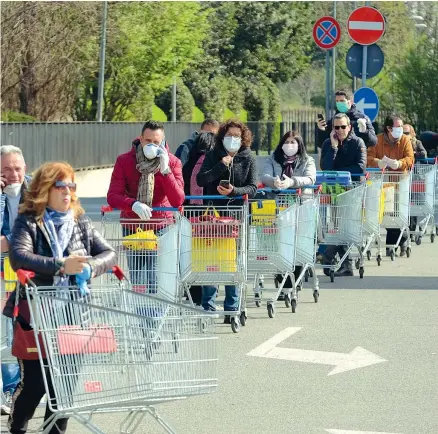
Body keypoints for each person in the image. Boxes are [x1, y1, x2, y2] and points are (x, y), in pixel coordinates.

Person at [3, 161, 117, 434]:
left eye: (71, 186)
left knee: (63, 387)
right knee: (34, 385)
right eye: (61, 185)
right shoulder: (28, 221)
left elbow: (109, 254)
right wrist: (60, 265)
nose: (68, 191)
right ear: (45, 188)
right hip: (37, 314)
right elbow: (19, 257)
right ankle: (17, 426)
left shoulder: (80, 221)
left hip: (74, 315)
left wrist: (89, 267)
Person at [107, 120, 185, 290]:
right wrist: (133, 204)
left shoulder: (172, 162)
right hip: (133, 226)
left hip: (160, 226)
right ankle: (141, 313)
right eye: (148, 141)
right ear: (141, 139)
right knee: (138, 279)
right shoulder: (124, 161)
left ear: (163, 142)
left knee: (156, 276)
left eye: (156, 142)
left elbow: (178, 200)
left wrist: (166, 172)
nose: (151, 145)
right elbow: (113, 196)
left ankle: (155, 315)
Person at [197, 120, 257, 320]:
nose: (233, 139)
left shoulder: (247, 157)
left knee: (232, 262)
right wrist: (220, 165)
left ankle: (231, 306)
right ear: (222, 137)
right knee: (211, 261)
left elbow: (252, 187)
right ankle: (209, 305)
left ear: (243, 139)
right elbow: (201, 179)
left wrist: (235, 191)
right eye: (229, 135)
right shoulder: (213, 154)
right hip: (214, 215)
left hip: (236, 215)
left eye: (237, 136)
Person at [260, 131, 316, 291]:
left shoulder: (307, 160)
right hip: (278, 206)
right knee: (281, 242)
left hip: (300, 205)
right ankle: (281, 274)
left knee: (297, 243)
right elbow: (264, 175)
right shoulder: (273, 159)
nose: (290, 145)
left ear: (299, 145)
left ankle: (294, 281)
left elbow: (311, 179)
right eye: (287, 142)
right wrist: (274, 181)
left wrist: (292, 182)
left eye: (293, 142)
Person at [0, 145, 31, 416]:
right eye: (7, 169)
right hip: (2, 272)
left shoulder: (36, 192)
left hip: (27, 272)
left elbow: (37, 229)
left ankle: (26, 387)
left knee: (26, 329)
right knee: (4, 333)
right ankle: (9, 391)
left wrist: (8, 241)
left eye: (17, 168)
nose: (14, 174)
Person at [320, 113, 367, 277]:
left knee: (343, 226)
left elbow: (360, 168)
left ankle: (329, 256)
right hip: (334, 191)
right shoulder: (328, 143)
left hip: (352, 191)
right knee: (339, 226)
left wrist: (340, 172)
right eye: (336, 127)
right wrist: (333, 148)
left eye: (343, 127)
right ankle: (346, 265)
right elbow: (325, 167)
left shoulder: (357, 142)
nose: (339, 130)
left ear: (350, 127)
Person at [367, 115, 414, 256]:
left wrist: (399, 163)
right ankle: (393, 244)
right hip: (384, 184)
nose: (400, 129)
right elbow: (368, 157)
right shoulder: (378, 140)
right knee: (389, 213)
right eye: (397, 126)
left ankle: (399, 240)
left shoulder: (405, 140)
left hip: (401, 182)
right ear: (388, 128)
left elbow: (410, 158)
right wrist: (378, 162)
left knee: (399, 213)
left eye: (401, 126)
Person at [181, 131, 216, 306]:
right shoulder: (211, 164)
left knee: (192, 256)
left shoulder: (187, 166)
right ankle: (207, 297)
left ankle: (193, 295)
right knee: (209, 255)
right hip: (208, 215)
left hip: (189, 214)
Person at [403, 124, 427, 237]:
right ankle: (406, 229)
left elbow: (424, 154)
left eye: (407, 133)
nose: (405, 135)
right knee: (404, 204)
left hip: (416, 177)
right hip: (403, 176)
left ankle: (413, 228)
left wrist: (413, 154)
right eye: (403, 132)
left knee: (415, 204)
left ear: (412, 133)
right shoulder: (400, 143)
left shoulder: (417, 143)